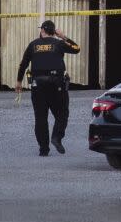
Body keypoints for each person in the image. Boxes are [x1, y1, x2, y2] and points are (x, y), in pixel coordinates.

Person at [15, 20, 80, 156]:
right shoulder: (58, 43)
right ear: (53, 31)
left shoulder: (33, 45)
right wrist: (63, 37)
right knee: (62, 114)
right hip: (57, 84)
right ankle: (56, 137)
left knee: (40, 117)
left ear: (43, 30)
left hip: (38, 85)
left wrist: (19, 81)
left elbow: (24, 64)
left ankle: (43, 150)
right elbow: (76, 49)